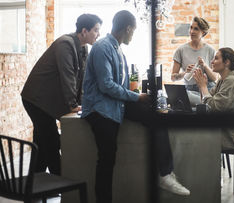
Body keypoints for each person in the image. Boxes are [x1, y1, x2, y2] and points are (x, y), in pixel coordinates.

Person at [81, 10, 190, 203]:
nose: (133, 35)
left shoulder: (118, 50)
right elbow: (106, 85)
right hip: (100, 109)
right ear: (128, 28)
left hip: (115, 104)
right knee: (107, 159)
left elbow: (119, 86)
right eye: (134, 31)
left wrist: (138, 97)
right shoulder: (102, 47)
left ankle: (165, 174)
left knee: (156, 117)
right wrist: (136, 97)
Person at [21, 13, 102, 174]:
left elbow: (82, 80)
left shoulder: (83, 48)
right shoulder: (65, 44)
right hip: (36, 99)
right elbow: (68, 76)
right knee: (51, 142)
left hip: (47, 101)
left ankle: (34, 186)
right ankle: (62, 184)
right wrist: (73, 105)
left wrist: (82, 103)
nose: (98, 34)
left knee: (42, 142)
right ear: (84, 31)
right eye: (96, 30)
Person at [193, 47, 234, 150]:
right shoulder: (222, 80)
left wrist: (203, 87)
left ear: (226, 62)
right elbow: (207, 103)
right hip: (231, 132)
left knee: (195, 137)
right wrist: (202, 87)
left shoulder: (232, 81)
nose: (212, 62)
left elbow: (213, 108)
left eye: (216, 58)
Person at [171, 16, 217, 92]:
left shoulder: (210, 50)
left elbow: (214, 78)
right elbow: (173, 77)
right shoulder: (180, 50)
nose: (192, 31)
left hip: (208, 88)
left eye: (196, 29)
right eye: (191, 28)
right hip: (190, 89)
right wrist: (185, 73)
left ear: (203, 32)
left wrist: (204, 65)